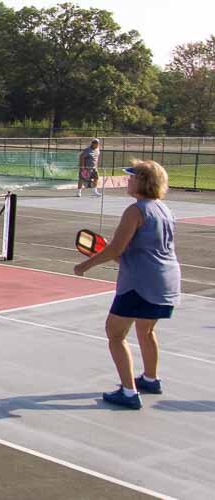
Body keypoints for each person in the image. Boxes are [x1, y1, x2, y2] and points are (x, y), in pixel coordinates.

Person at [74, 160, 180, 410]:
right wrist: (114, 252)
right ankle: (151, 379)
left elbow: (116, 249)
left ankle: (129, 393)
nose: (128, 181)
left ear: (143, 181)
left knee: (115, 334)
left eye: (131, 177)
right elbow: (139, 250)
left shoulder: (135, 210)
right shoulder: (165, 210)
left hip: (140, 284)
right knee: (146, 331)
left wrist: (84, 266)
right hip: (167, 280)